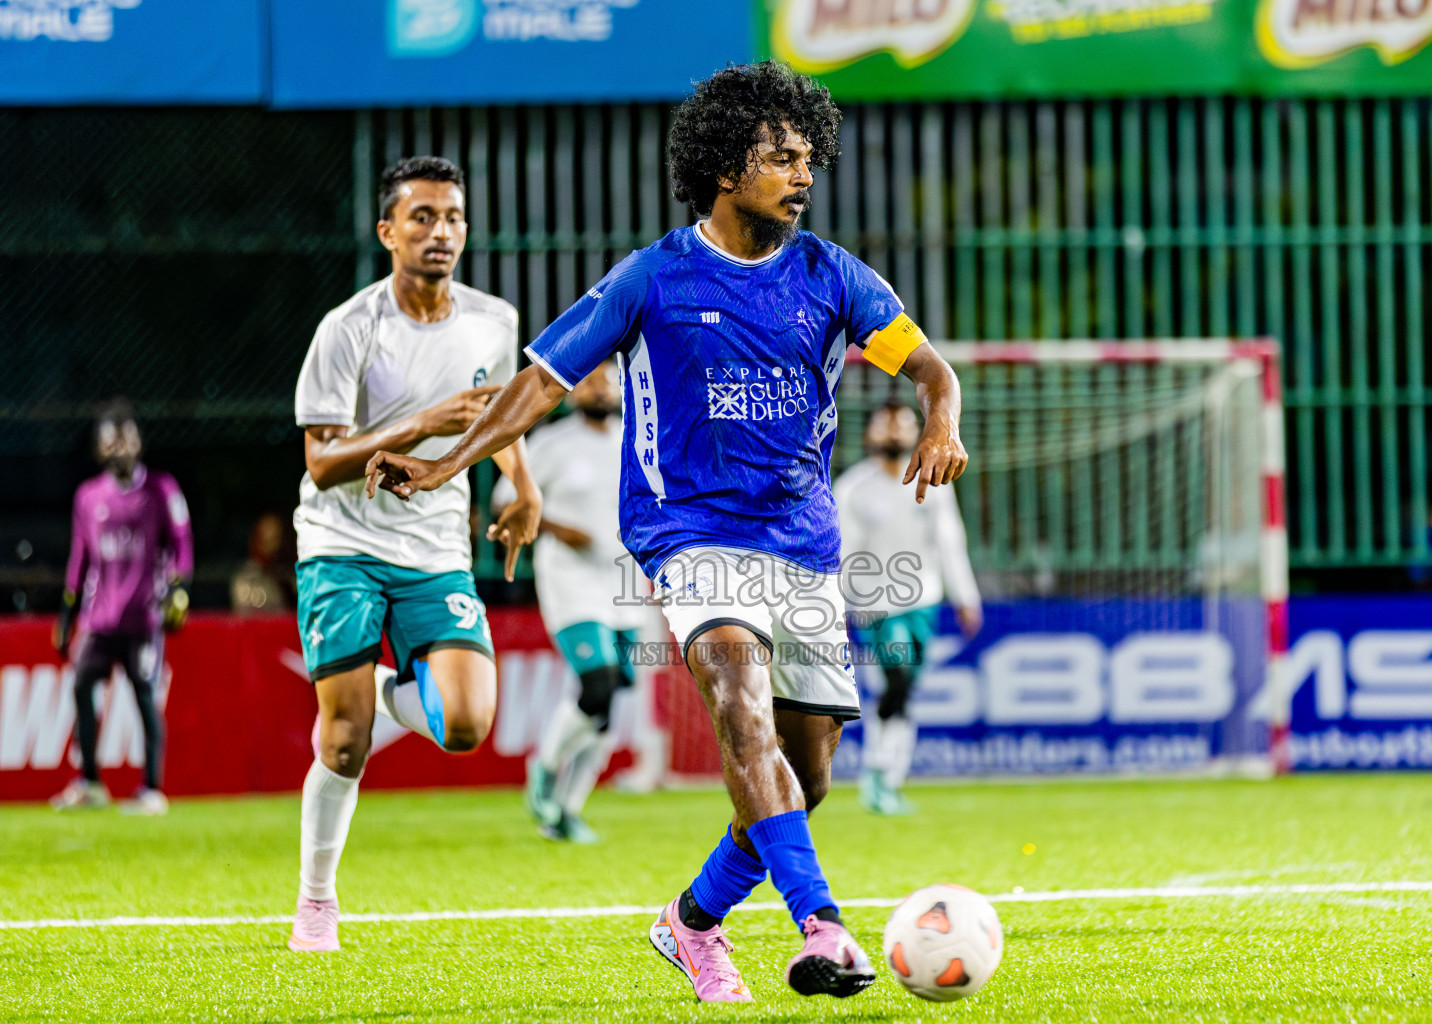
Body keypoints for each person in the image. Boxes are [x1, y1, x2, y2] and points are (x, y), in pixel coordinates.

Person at [363, 63, 969, 1003]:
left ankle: (690, 923)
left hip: (803, 543)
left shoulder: (832, 275)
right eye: (779, 156)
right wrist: (448, 463)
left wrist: (942, 419)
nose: (803, 173)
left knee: (800, 783)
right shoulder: (652, 277)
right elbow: (539, 383)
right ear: (725, 167)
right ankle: (822, 926)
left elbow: (930, 366)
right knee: (737, 692)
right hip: (688, 537)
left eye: (809, 156)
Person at [286, 155, 542, 954]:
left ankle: (376, 688)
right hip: (342, 544)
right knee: (344, 744)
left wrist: (521, 489)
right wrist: (420, 424)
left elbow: (499, 416)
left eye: (453, 218)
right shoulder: (349, 327)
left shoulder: (493, 320)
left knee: (468, 724)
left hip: (435, 548)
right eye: (423, 217)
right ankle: (317, 902)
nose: (441, 232)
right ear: (387, 230)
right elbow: (322, 463)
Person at [491, 359, 643, 843]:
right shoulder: (552, 444)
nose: (600, 389)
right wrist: (557, 528)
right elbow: (503, 501)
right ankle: (544, 765)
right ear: (573, 393)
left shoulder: (637, 438)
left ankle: (567, 811)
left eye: (608, 380)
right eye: (589, 382)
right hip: (570, 582)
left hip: (625, 583)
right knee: (596, 684)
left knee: (612, 701)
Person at [835, 401, 982, 816]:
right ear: (869, 435)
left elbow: (950, 542)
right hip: (876, 606)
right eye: (885, 425)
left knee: (904, 692)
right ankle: (878, 772)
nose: (894, 432)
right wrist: (837, 606)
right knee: (896, 681)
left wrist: (965, 597)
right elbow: (843, 554)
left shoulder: (935, 481)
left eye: (903, 424)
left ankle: (887, 779)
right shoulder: (853, 489)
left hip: (924, 601)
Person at [51, 399, 193, 816]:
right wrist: (66, 615)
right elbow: (80, 560)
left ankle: (152, 789)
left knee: (146, 697)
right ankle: (90, 782)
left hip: (144, 616)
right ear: (99, 448)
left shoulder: (162, 489)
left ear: (139, 441)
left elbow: (182, 546)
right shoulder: (88, 496)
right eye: (112, 440)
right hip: (100, 617)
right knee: (81, 687)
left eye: (127, 437)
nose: (121, 447)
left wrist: (179, 589)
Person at [230, 512, 296, 613]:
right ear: (256, 541)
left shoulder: (289, 579)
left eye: (278, 539)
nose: (275, 548)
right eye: (269, 541)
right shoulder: (245, 582)